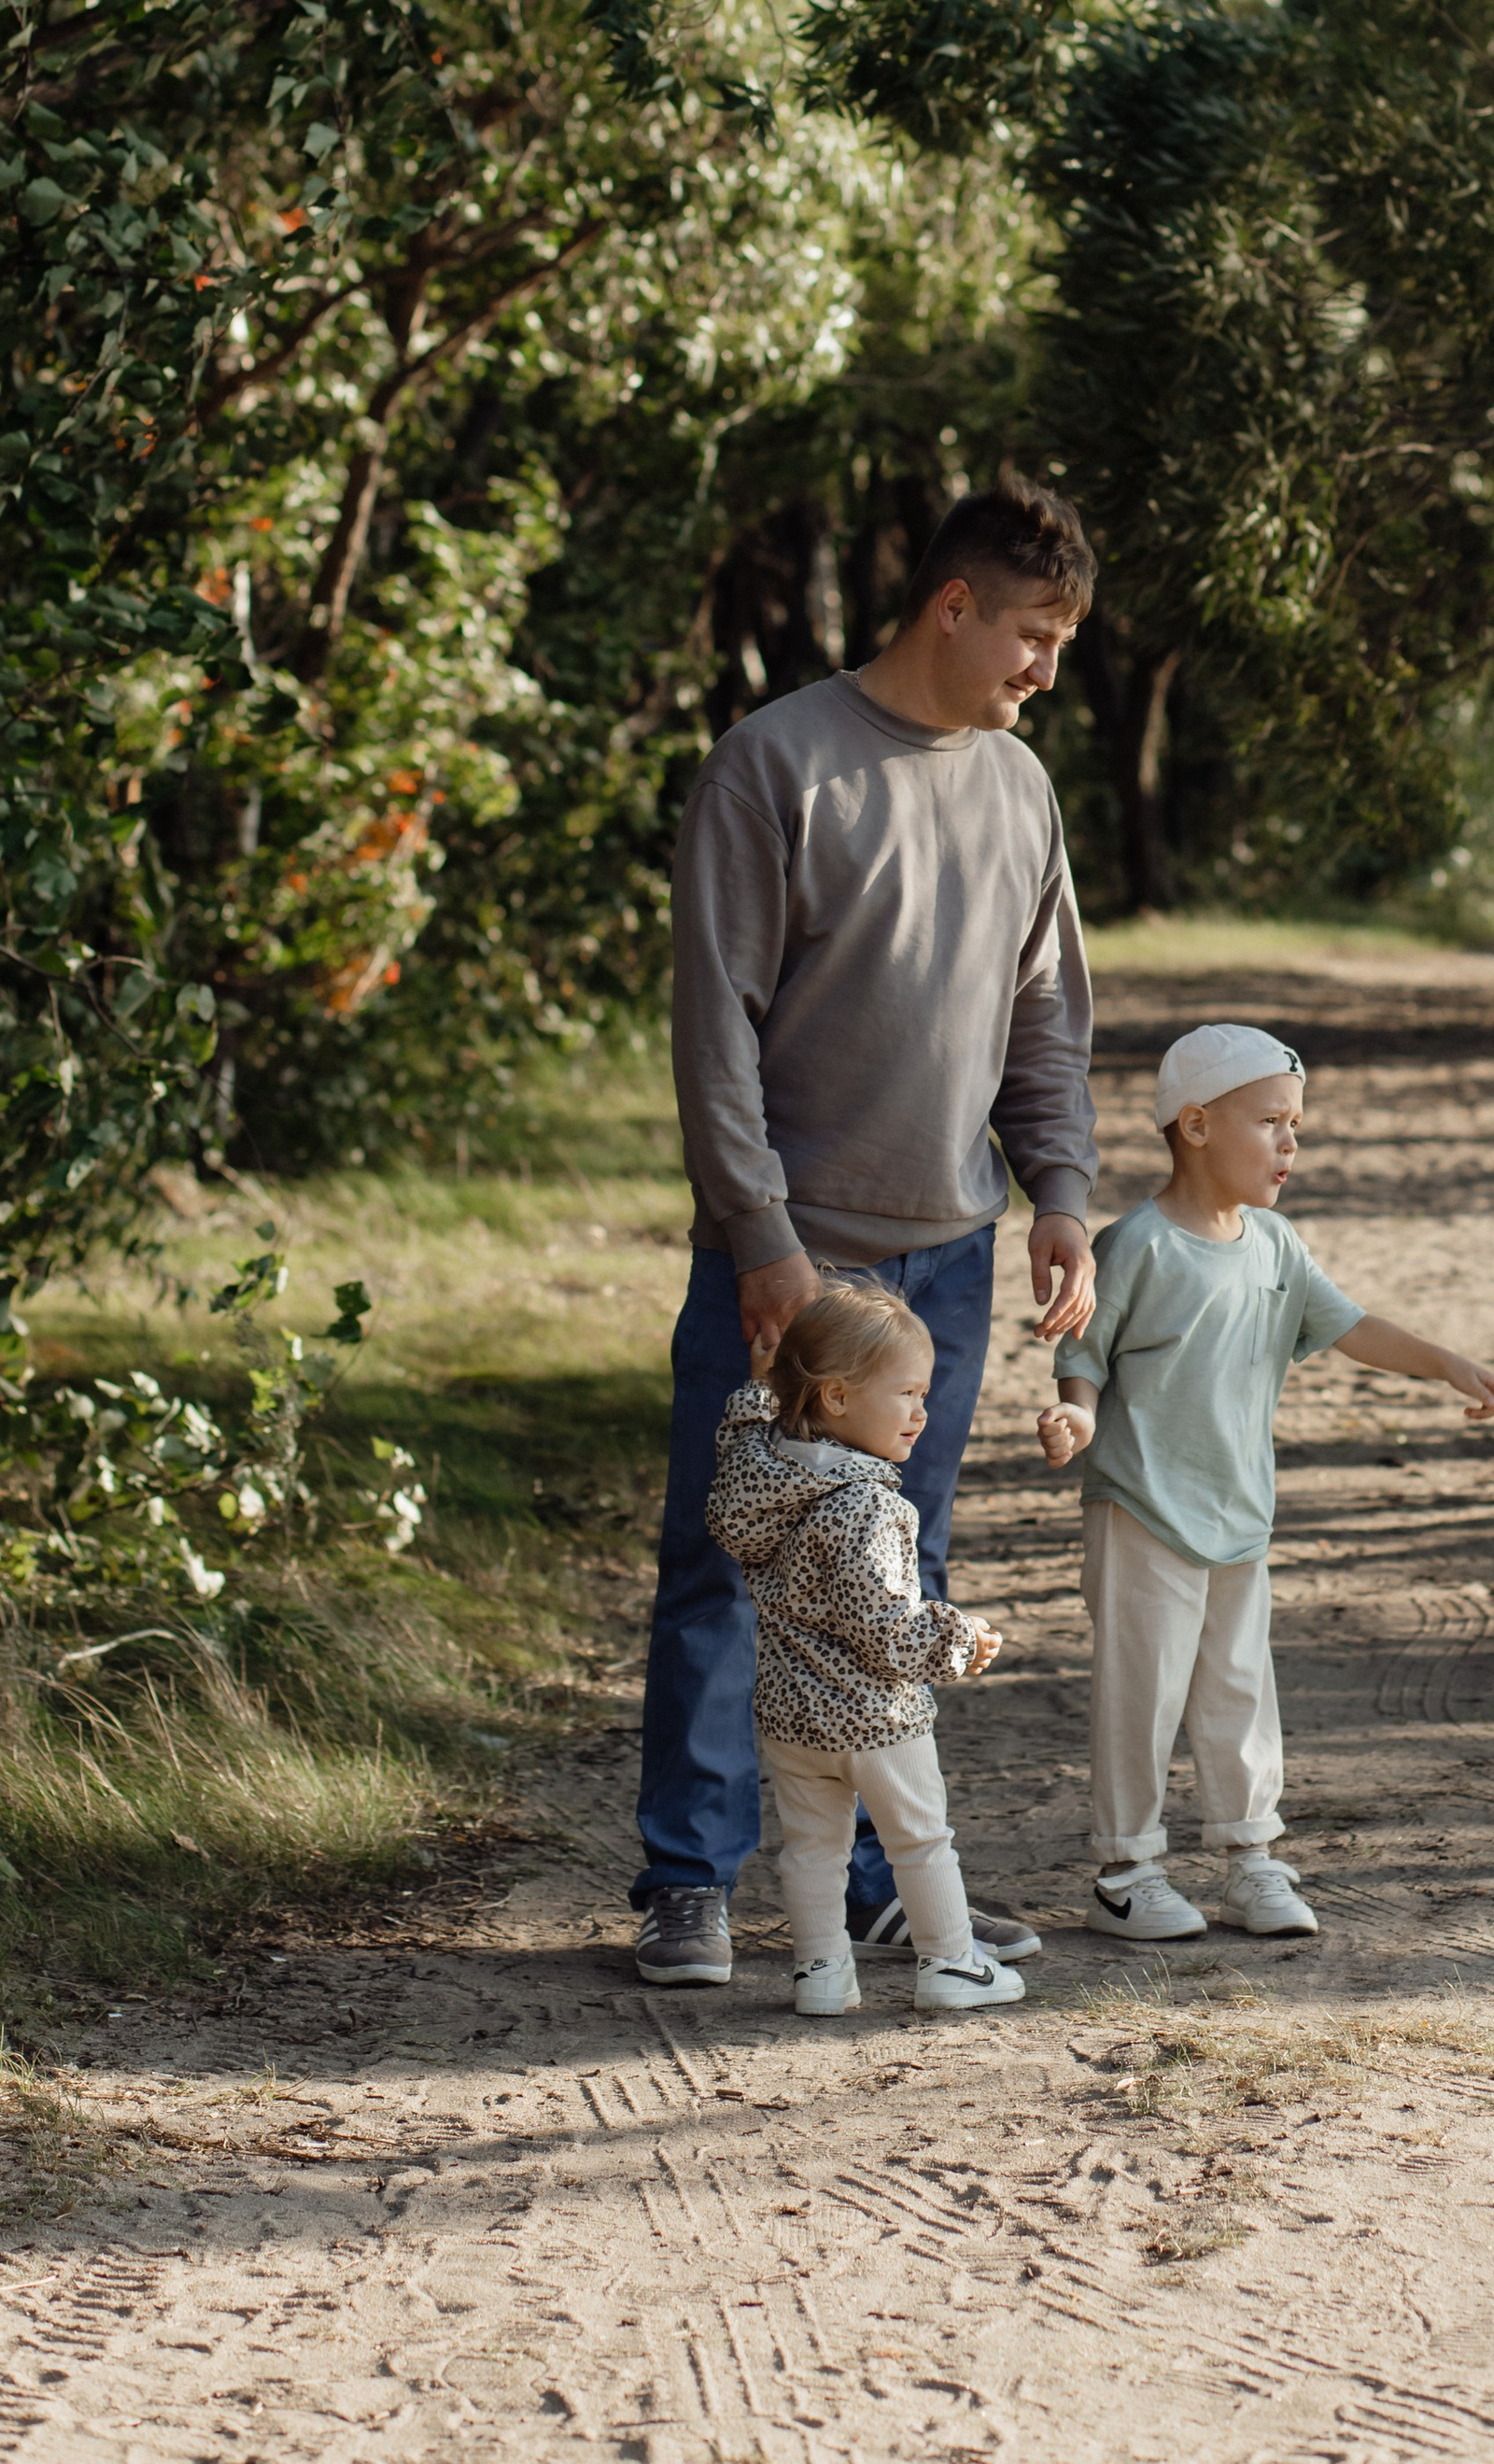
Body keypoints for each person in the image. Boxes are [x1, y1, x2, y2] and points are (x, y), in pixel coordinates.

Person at [632, 474, 1103, 1987]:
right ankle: (691, 1885)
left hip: (949, 1262)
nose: (1047, 671)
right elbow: (718, 1037)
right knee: (732, 1563)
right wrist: (762, 1240)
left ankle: (876, 1889)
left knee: (895, 1570)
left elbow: (1047, 1028)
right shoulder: (778, 767)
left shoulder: (1023, 792)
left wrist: (1063, 1197)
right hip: (792, 1260)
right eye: (1033, 635)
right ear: (952, 606)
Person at [1036, 1022, 1494, 1942]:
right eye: (1270, 1122)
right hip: (1142, 1509)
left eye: (1295, 1124)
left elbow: (1349, 1325)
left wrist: (1444, 1362)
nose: (1290, 1142)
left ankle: (1249, 1857)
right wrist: (1080, 1418)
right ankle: (1126, 1868)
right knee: (1140, 1694)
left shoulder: (1275, 1245)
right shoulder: (1136, 1244)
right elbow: (1084, 1354)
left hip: (1238, 1514)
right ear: (1194, 1125)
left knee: (1237, 1690)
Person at [707, 1282, 1027, 2018]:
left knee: (813, 1850)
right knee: (921, 1840)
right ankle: (950, 1965)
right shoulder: (871, 1505)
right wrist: (958, 1639)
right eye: (908, 1394)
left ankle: (820, 1974)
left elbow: (743, 1435)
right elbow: (885, 1629)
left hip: (791, 1721)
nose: (922, 1412)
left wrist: (763, 1389)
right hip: (877, 1721)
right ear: (839, 1398)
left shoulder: (759, 1477)